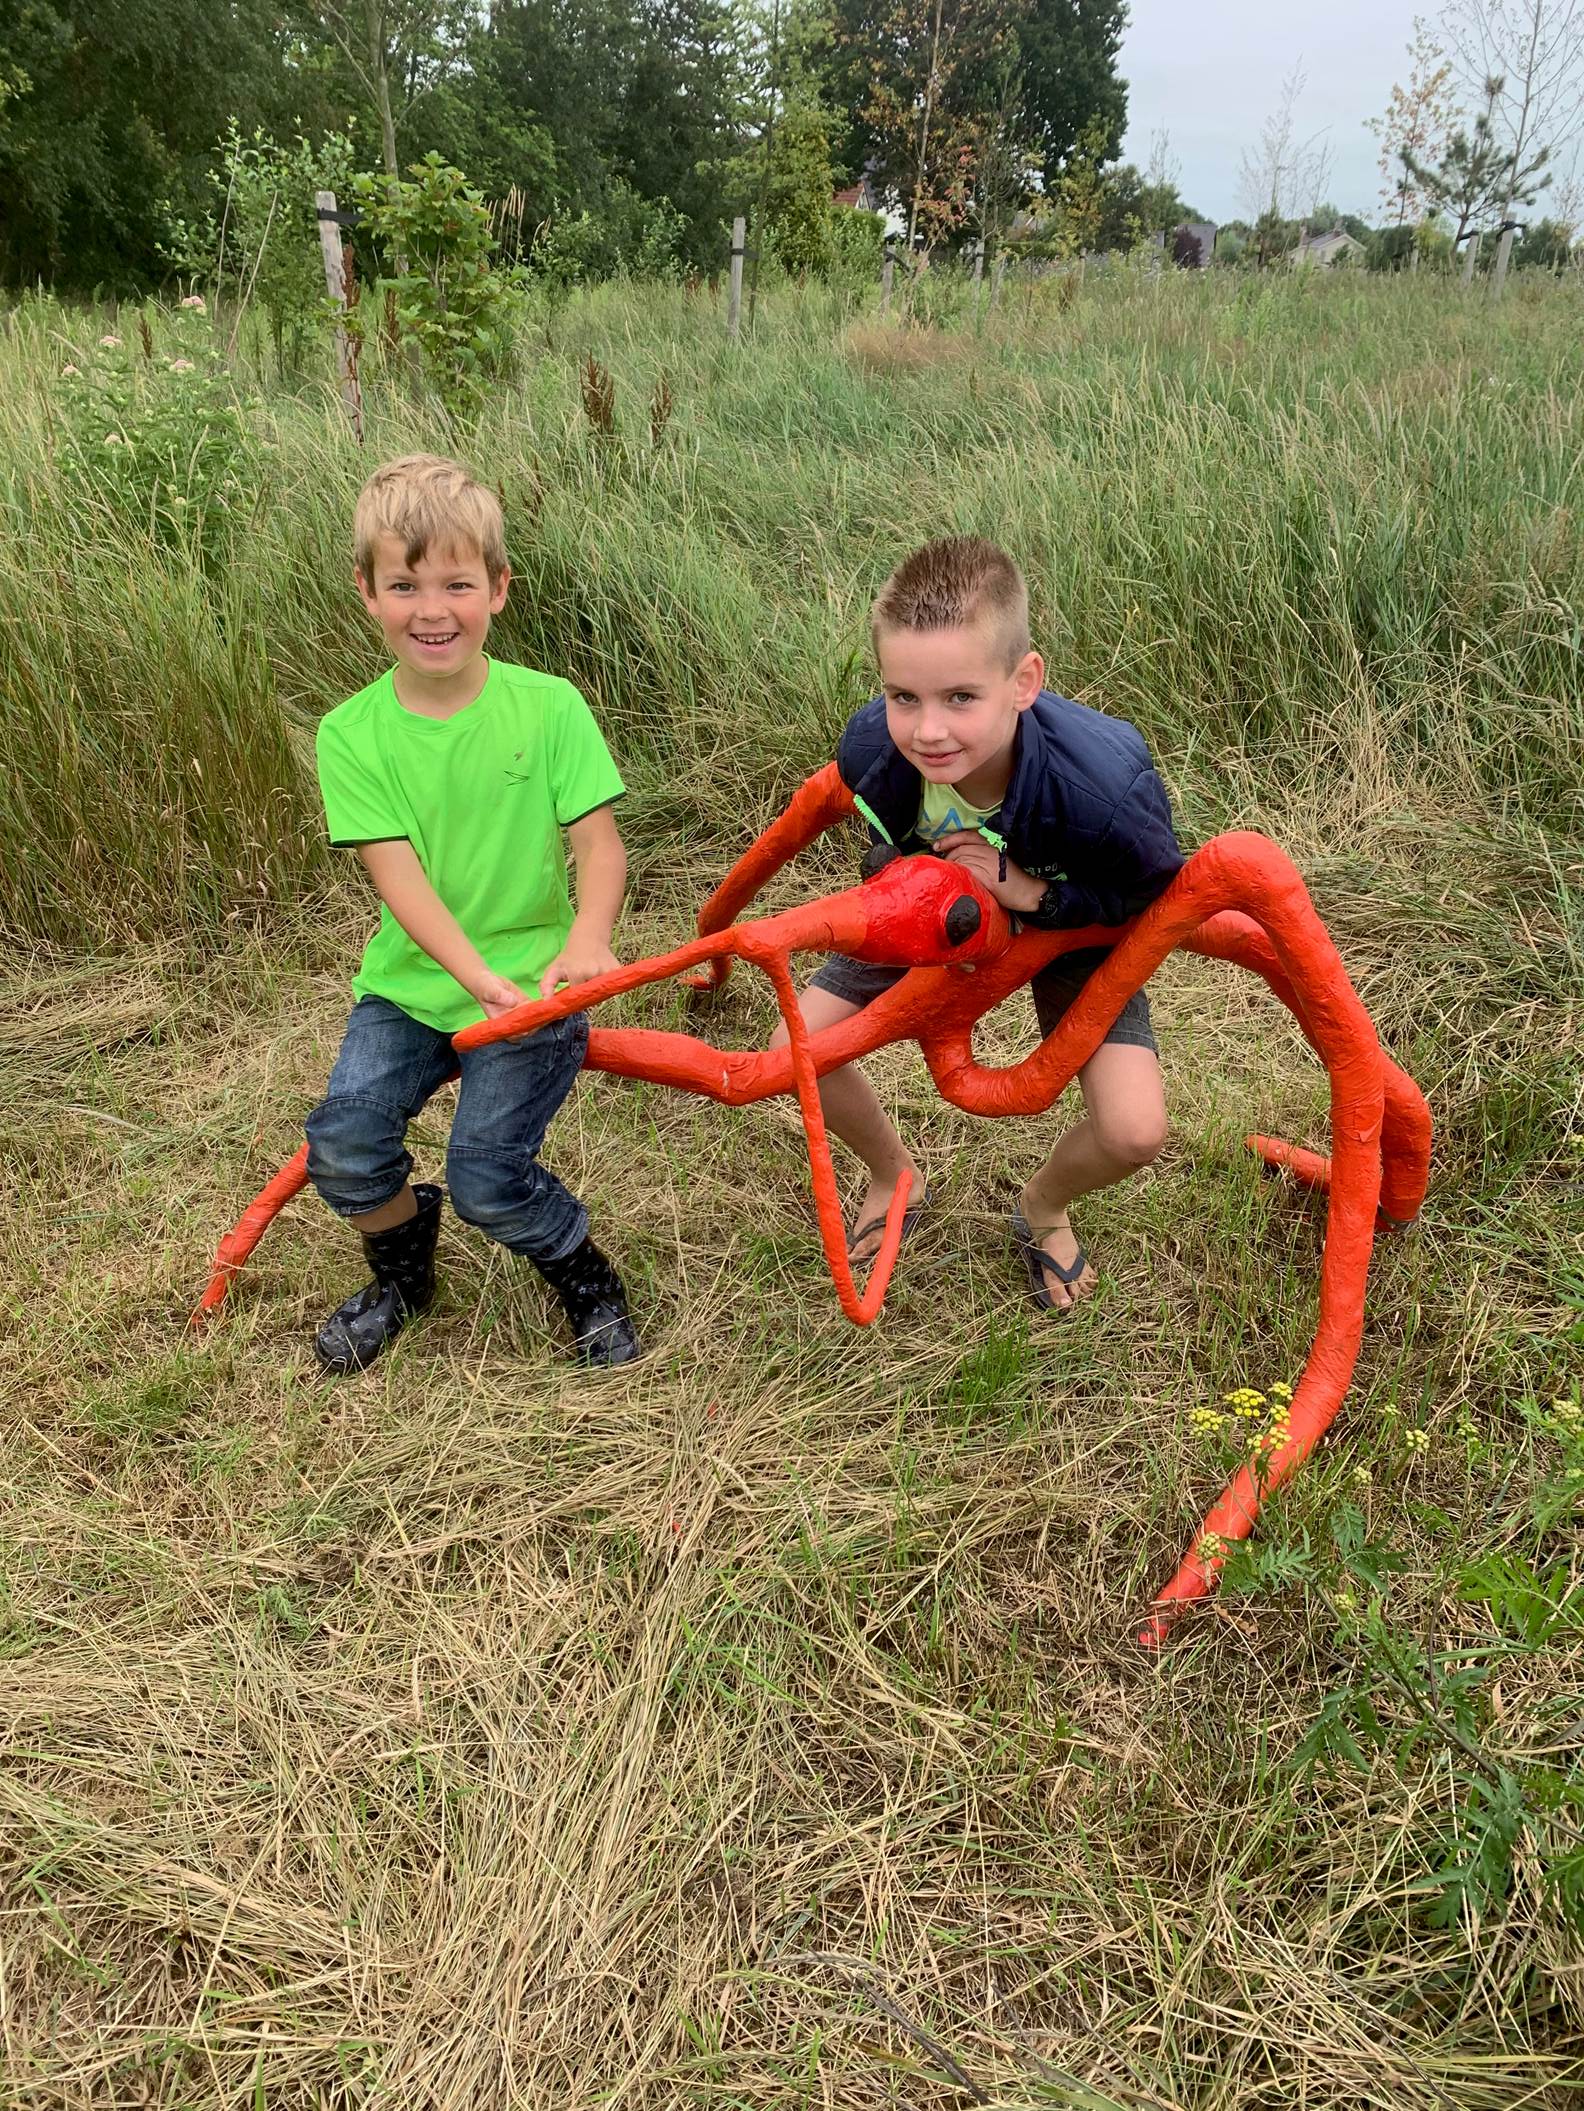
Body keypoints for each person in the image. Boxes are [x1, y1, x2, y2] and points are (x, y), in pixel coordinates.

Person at [774, 535, 1183, 1312]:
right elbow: (881, 842)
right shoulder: (873, 748)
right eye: (904, 697)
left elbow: (1154, 900)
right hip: (936, 916)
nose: (928, 730)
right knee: (796, 1048)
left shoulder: (1106, 787)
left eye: (960, 697)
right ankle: (894, 1173)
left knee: (1134, 1129)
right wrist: (915, 883)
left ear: (1024, 680)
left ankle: (1043, 1207)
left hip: (1073, 926)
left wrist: (1036, 896)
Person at [303, 453, 638, 1372]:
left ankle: (584, 1273)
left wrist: (587, 938)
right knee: (342, 1142)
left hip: (533, 983)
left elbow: (597, 845)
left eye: (457, 581)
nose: (432, 608)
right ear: (367, 593)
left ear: (498, 587)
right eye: (404, 584)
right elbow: (399, 879)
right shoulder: (351, 733)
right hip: (415, 986)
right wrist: (467, 979)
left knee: (489, 1177)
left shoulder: (550, 707)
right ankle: (404, 1274)